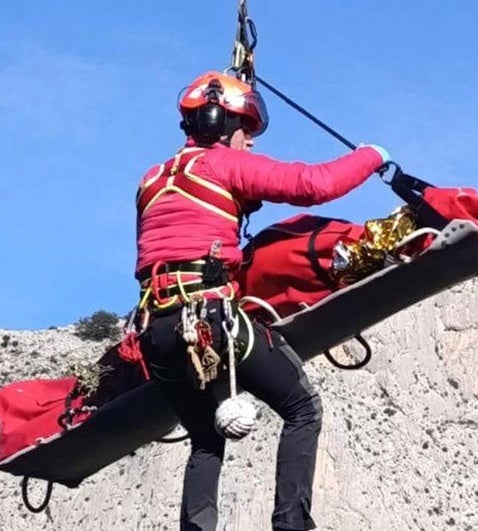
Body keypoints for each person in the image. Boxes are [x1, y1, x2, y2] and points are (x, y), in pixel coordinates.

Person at [135, 70, 390, 531]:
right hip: (209, 319)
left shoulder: (152, 180)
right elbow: (315, 184)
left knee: (206, 437)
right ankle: (292, 523)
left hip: (156, 332)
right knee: (302, 408)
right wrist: (373, 156)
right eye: (245, 131)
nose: (249, 143)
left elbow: (185, 229)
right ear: (218, 123)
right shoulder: (220, 164)